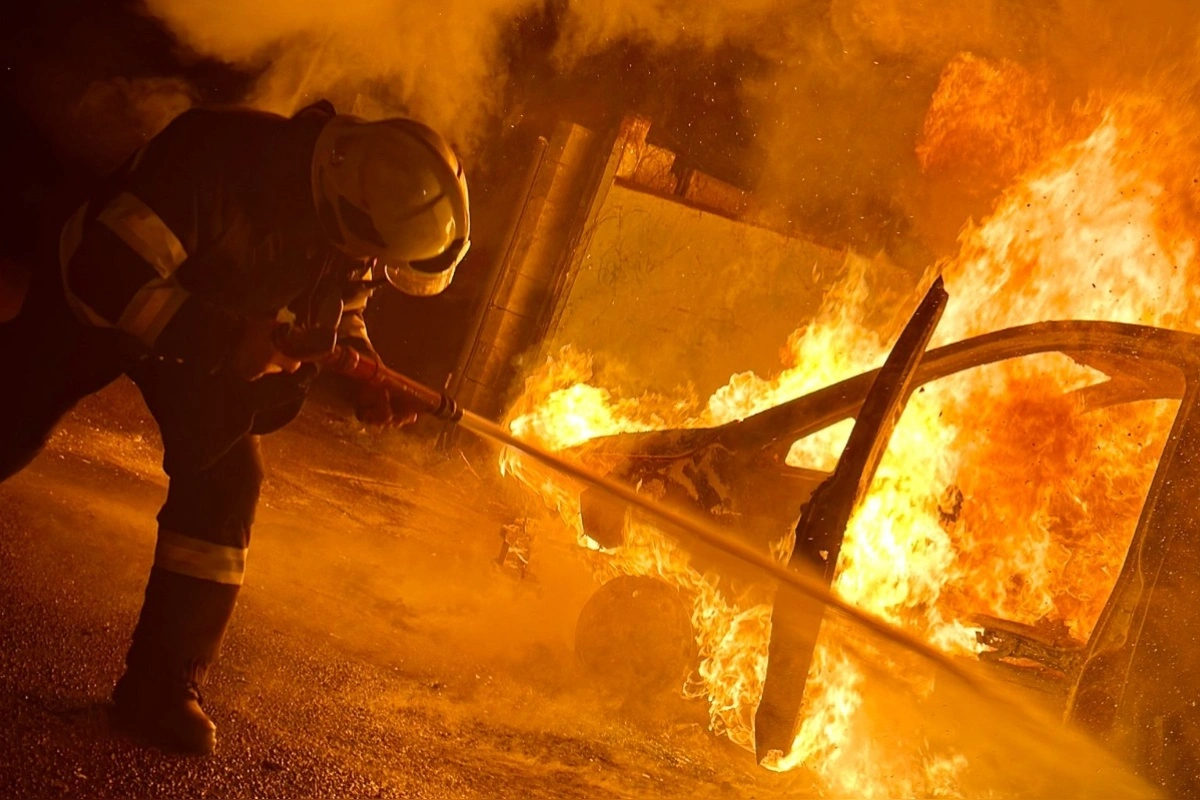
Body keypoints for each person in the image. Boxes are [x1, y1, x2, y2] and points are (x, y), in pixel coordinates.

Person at [0, 99, 470, 754]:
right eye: (372, 257)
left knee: (226, 485)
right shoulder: (214, 156)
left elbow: (341, 302)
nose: (370, 267)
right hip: (98, 306)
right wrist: (226, 340)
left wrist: (362, 371)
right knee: (11, 417)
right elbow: (105, 272)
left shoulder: (354, 201)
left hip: (212, 337)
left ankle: (162, 687)